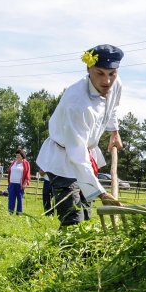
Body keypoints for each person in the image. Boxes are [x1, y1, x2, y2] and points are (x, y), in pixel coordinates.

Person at [36, 44, 124, 227]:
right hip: (64, 159)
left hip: (87, 154)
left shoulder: (116, 85)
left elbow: (113, 108)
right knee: (73, 217)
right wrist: (101, 193)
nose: (107, 81)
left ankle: (83, 254)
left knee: (85, 214)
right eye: (100, 73)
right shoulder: (76, 103)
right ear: (88, 69)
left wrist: (113, 132)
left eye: (111, 74)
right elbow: (77, 155)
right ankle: (61, 254)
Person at [6, 149, 31, 214]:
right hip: (12, 183)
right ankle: (10, 211)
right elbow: (10, 171)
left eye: (18, 155)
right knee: (11, 198)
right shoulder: (13, 162)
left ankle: (19, 212)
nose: (17, 156)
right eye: (16, 155)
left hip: (20, 184)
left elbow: (27, 174)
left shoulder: (25, 163)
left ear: (22, 156)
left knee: (19, 198)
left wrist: (25, 183)